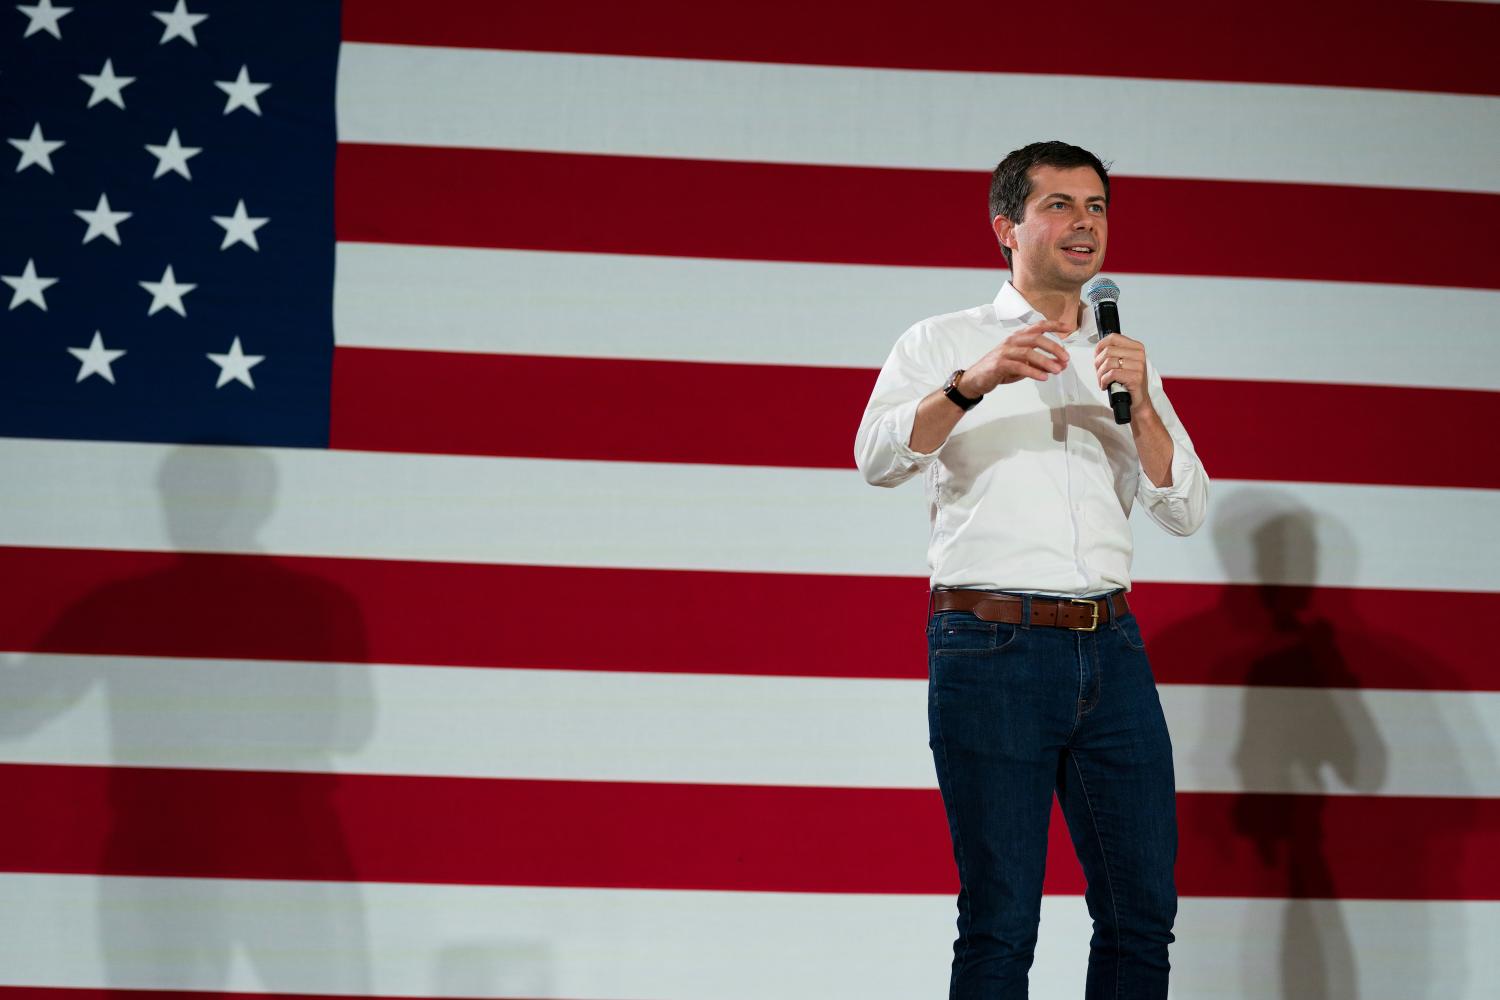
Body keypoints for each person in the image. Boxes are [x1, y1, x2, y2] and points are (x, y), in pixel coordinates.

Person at [854, 140, 1209, 999]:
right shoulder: (943, 341)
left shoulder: (1122, 357)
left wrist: (1146, 410)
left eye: (1096, 208)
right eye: (1060, 206)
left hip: (1111, 652)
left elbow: (1186, 509)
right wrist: (972, 383)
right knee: (1002, 919)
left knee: (1140, 913)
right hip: (991, 647)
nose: (1084, 224)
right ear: (1006, 227)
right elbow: (875, 458)